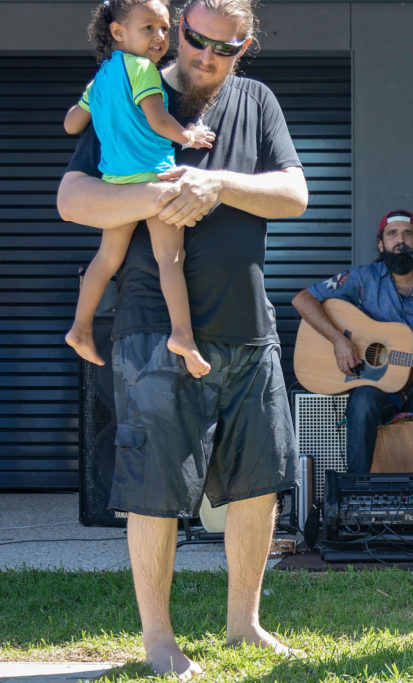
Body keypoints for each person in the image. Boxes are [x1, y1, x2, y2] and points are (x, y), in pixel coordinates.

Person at [57, 0, 308, 678]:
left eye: (222, 47)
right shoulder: (131, 81)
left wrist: (215, 183)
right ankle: (159, 638)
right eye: (194, 39)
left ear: (244, 46)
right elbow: (73, 198)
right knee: (155, 484)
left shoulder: (257, 103)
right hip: (153, 332)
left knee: (259, 482)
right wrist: (157, 195)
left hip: (249, 328)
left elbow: (294, 195)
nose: (203, 55)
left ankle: (244, 624)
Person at [64, 0, 216, 379]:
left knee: (106, 258)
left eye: (165, 28)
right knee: (170, 259)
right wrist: (190, 136)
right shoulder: (143, 68)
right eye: (148, 27)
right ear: (118, 32)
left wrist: (97, 107)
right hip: (156, 179)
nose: (160, 37)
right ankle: (182, 335)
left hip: (116, 184)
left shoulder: (101, 77)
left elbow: (71, 124)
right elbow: (158, 118)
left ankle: (80, 328)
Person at [291, 209, 413, 475]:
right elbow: (302, 300)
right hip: (377, 390)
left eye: (408, 234)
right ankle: (356, 493)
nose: (400, 241)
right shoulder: (360, 279)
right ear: (381, 244)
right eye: (392, 234)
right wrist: (338, 341)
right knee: (362, 401)